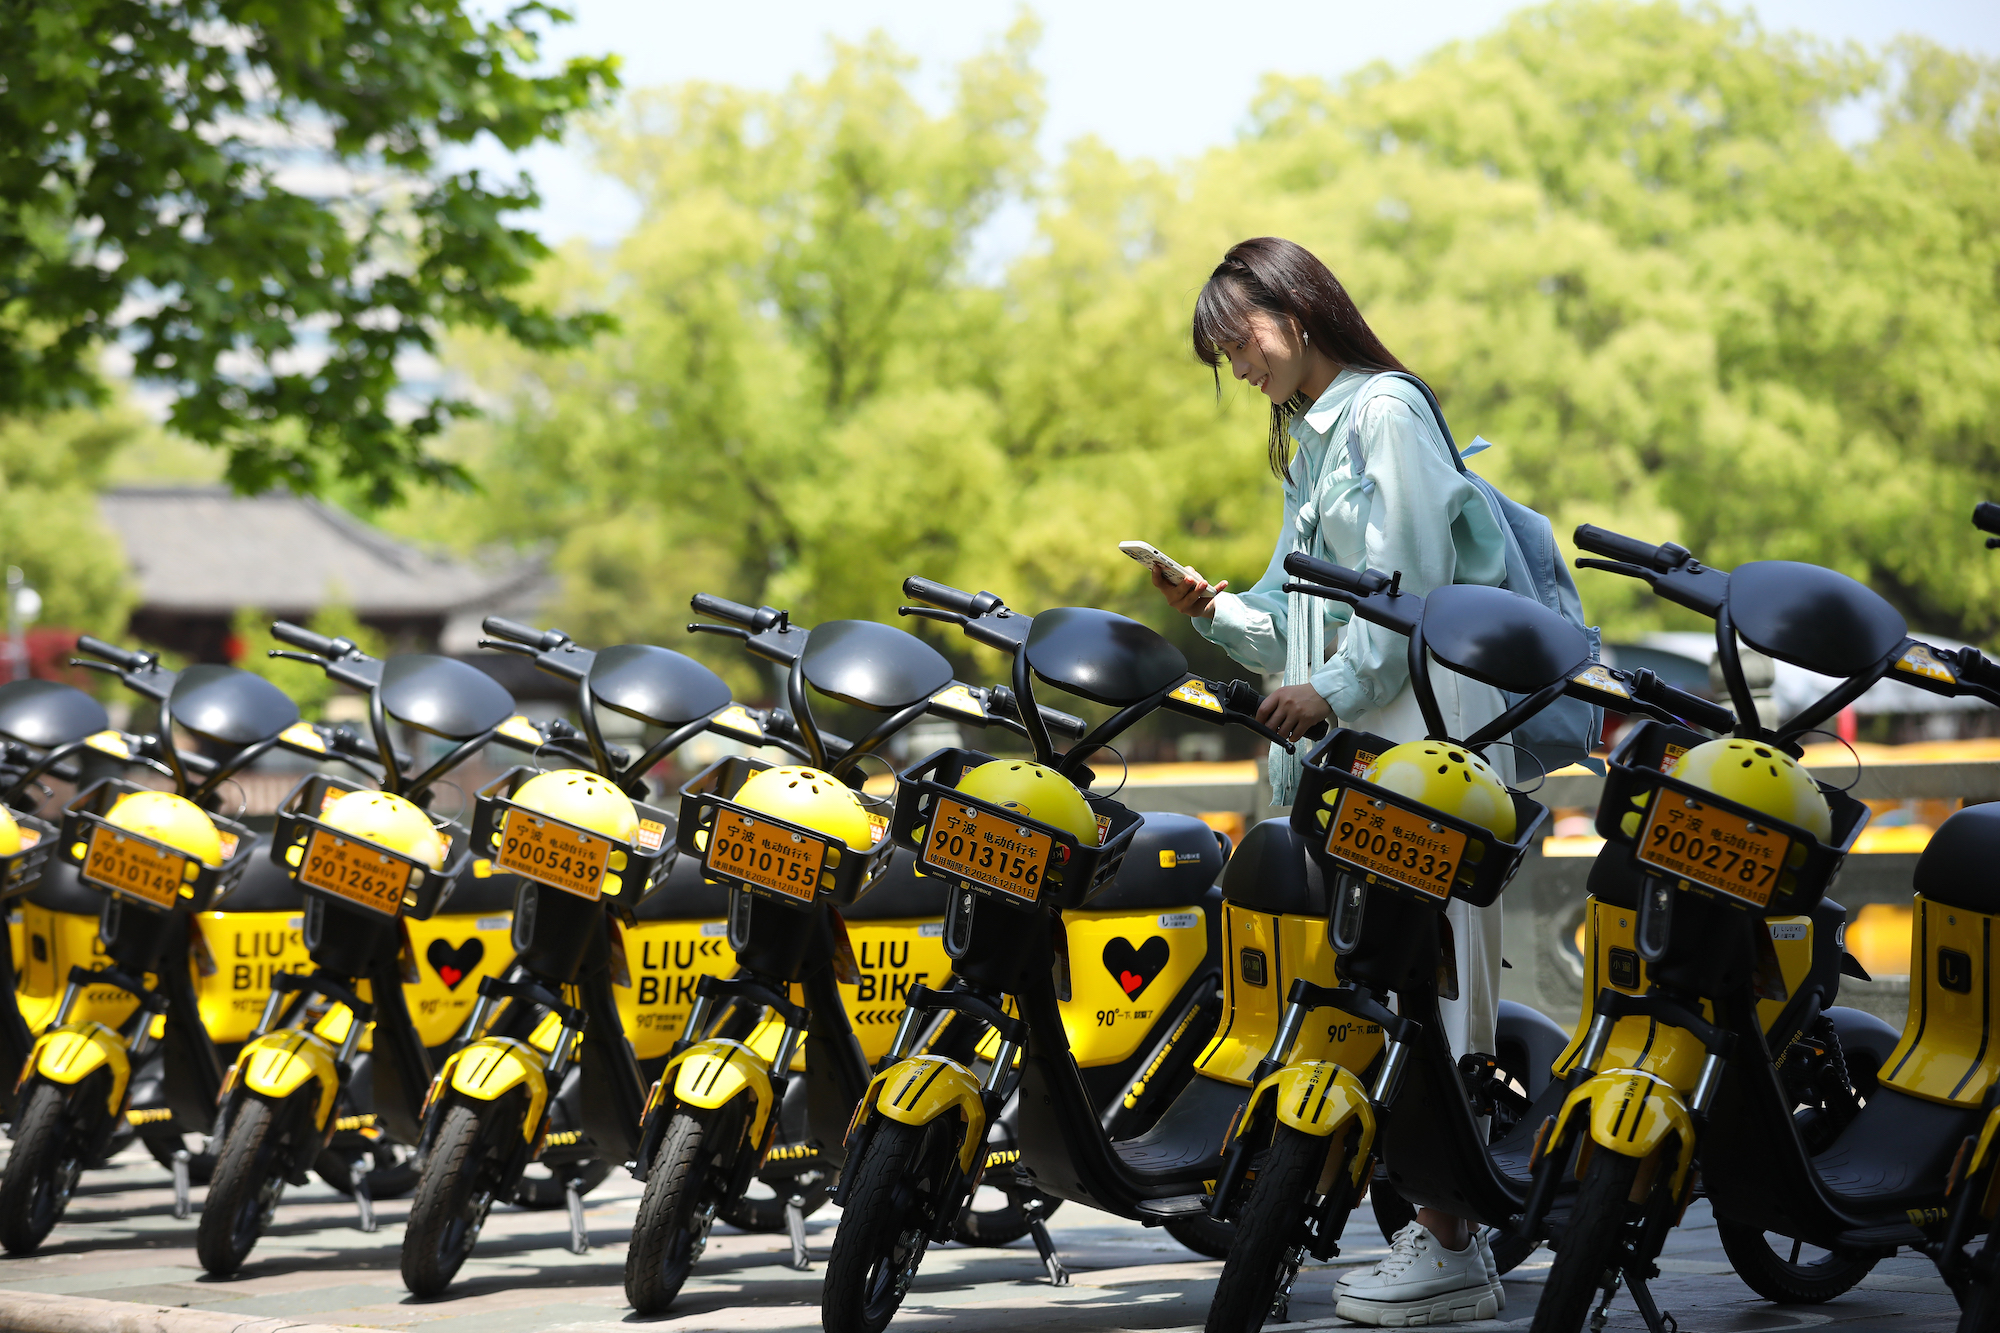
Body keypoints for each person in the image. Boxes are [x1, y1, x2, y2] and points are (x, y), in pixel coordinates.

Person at [1157, 236, 1511, 1325]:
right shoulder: (1309, 445)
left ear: (1296, 311)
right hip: (1356, 761)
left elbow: (1409, 596)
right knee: (1380, 989)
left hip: (1423, 748)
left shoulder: (1386, 414)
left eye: (1240, 339)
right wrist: (1211, 610)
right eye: (1222, 354)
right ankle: (1432, 1231)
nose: (1238, 365)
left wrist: (1333, 685)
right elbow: (1289, 628)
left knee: (1434, 991)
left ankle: (1454, 1248)